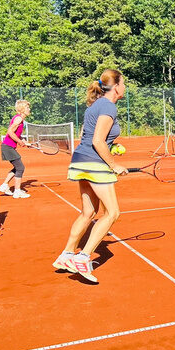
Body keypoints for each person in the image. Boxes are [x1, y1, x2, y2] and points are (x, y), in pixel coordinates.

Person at [53, 69, 128, 283]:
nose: (124, 87)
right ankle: (83, 257)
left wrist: (111, 148)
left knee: (89, 212)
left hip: (81, 160)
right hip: (94, 162)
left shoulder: (96, 105)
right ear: (115, 87)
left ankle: (67, 254)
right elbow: (97, 140)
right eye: (123, 83)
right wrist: (113, 165)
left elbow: (90, 137)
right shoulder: (108, 106)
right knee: (112, 213)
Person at [0, 100, 31, 198]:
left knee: (17, 167)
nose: (29, 109)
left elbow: (17, 135)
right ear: (22, 109)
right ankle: (17, 191)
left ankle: (4, 185)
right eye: (27, 108)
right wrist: (20, 142)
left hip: (8, 147)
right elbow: (10, 132)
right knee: (20, 167)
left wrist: (24, 141)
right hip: (7, 147)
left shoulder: (20, 120)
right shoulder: (19, 119)